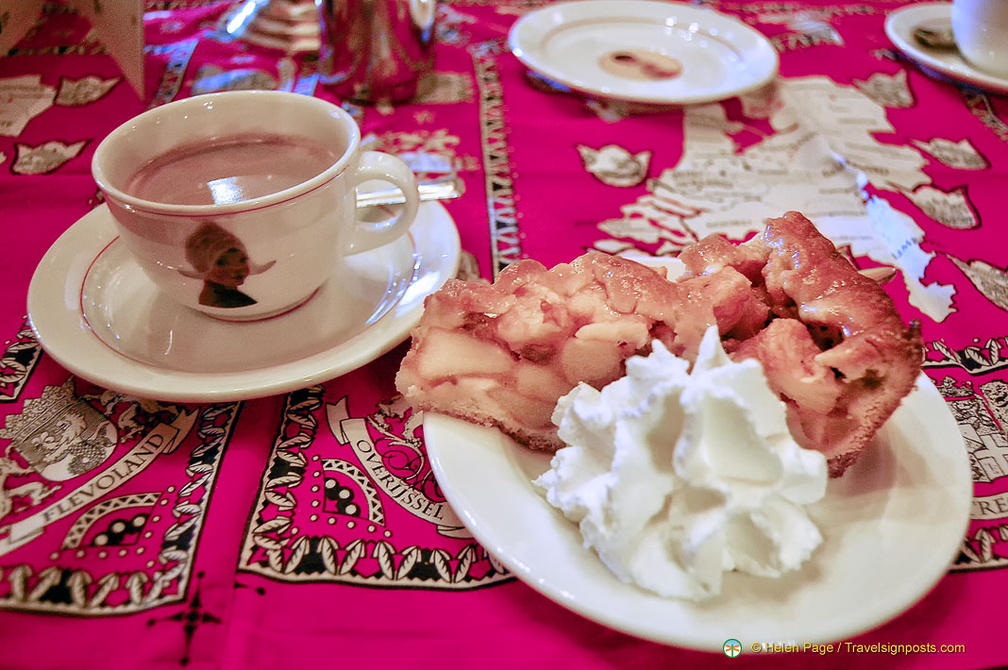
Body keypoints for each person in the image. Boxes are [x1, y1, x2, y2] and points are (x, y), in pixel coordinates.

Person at [181, 221, 274, 308]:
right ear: (203, 266)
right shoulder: (224, 302)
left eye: (242, 260)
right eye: (221, 263)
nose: (237, 268)